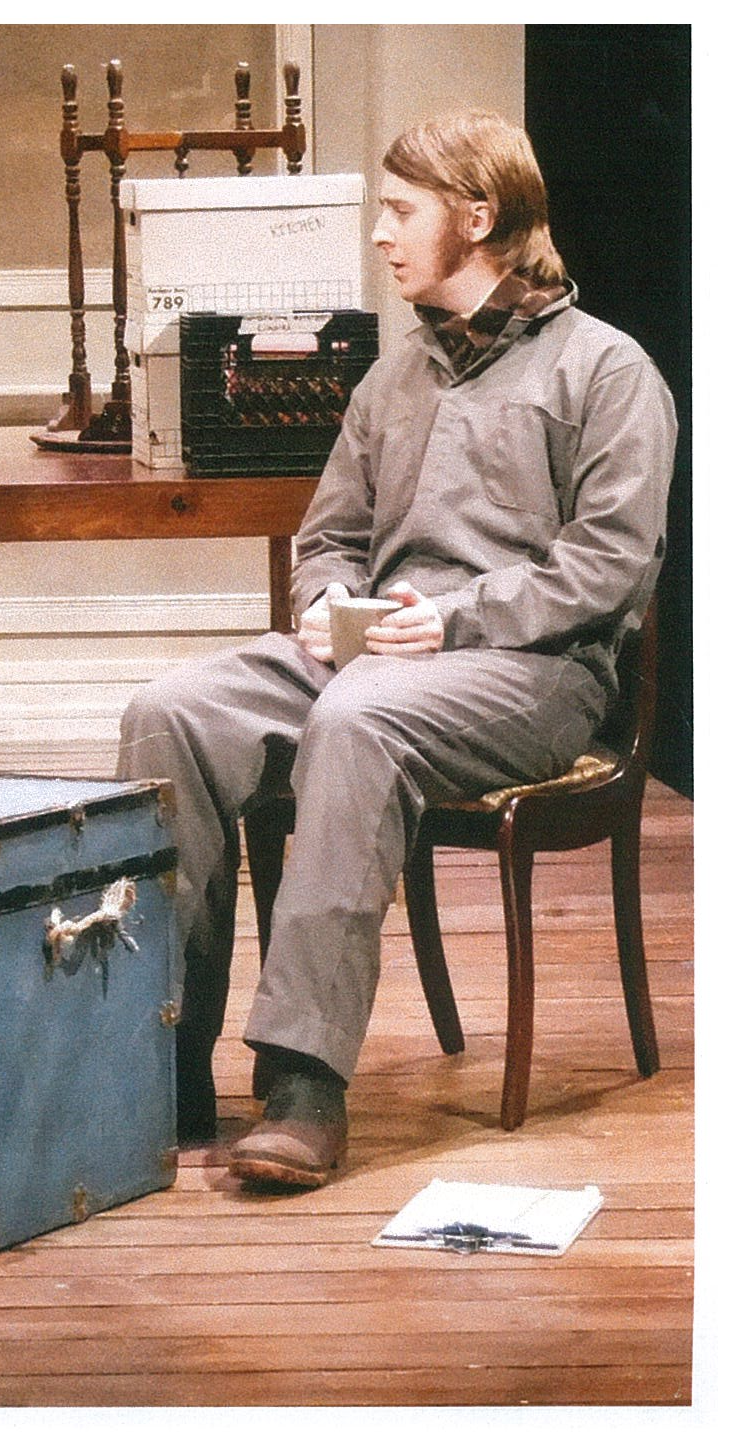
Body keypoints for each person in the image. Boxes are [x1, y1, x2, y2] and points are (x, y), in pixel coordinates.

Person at [117, 110, 675, 1189]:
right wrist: (331, 603)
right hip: (376, 656)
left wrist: (453, 622)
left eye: (400, 211)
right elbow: (330, 535)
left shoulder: (608, 373)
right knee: (170, 709)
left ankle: (303, 1083)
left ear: (480, 218)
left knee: (357, 721)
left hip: (535, 674)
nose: (380, 234)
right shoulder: (395, 377)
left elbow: (609, 566)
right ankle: (159, 1063)